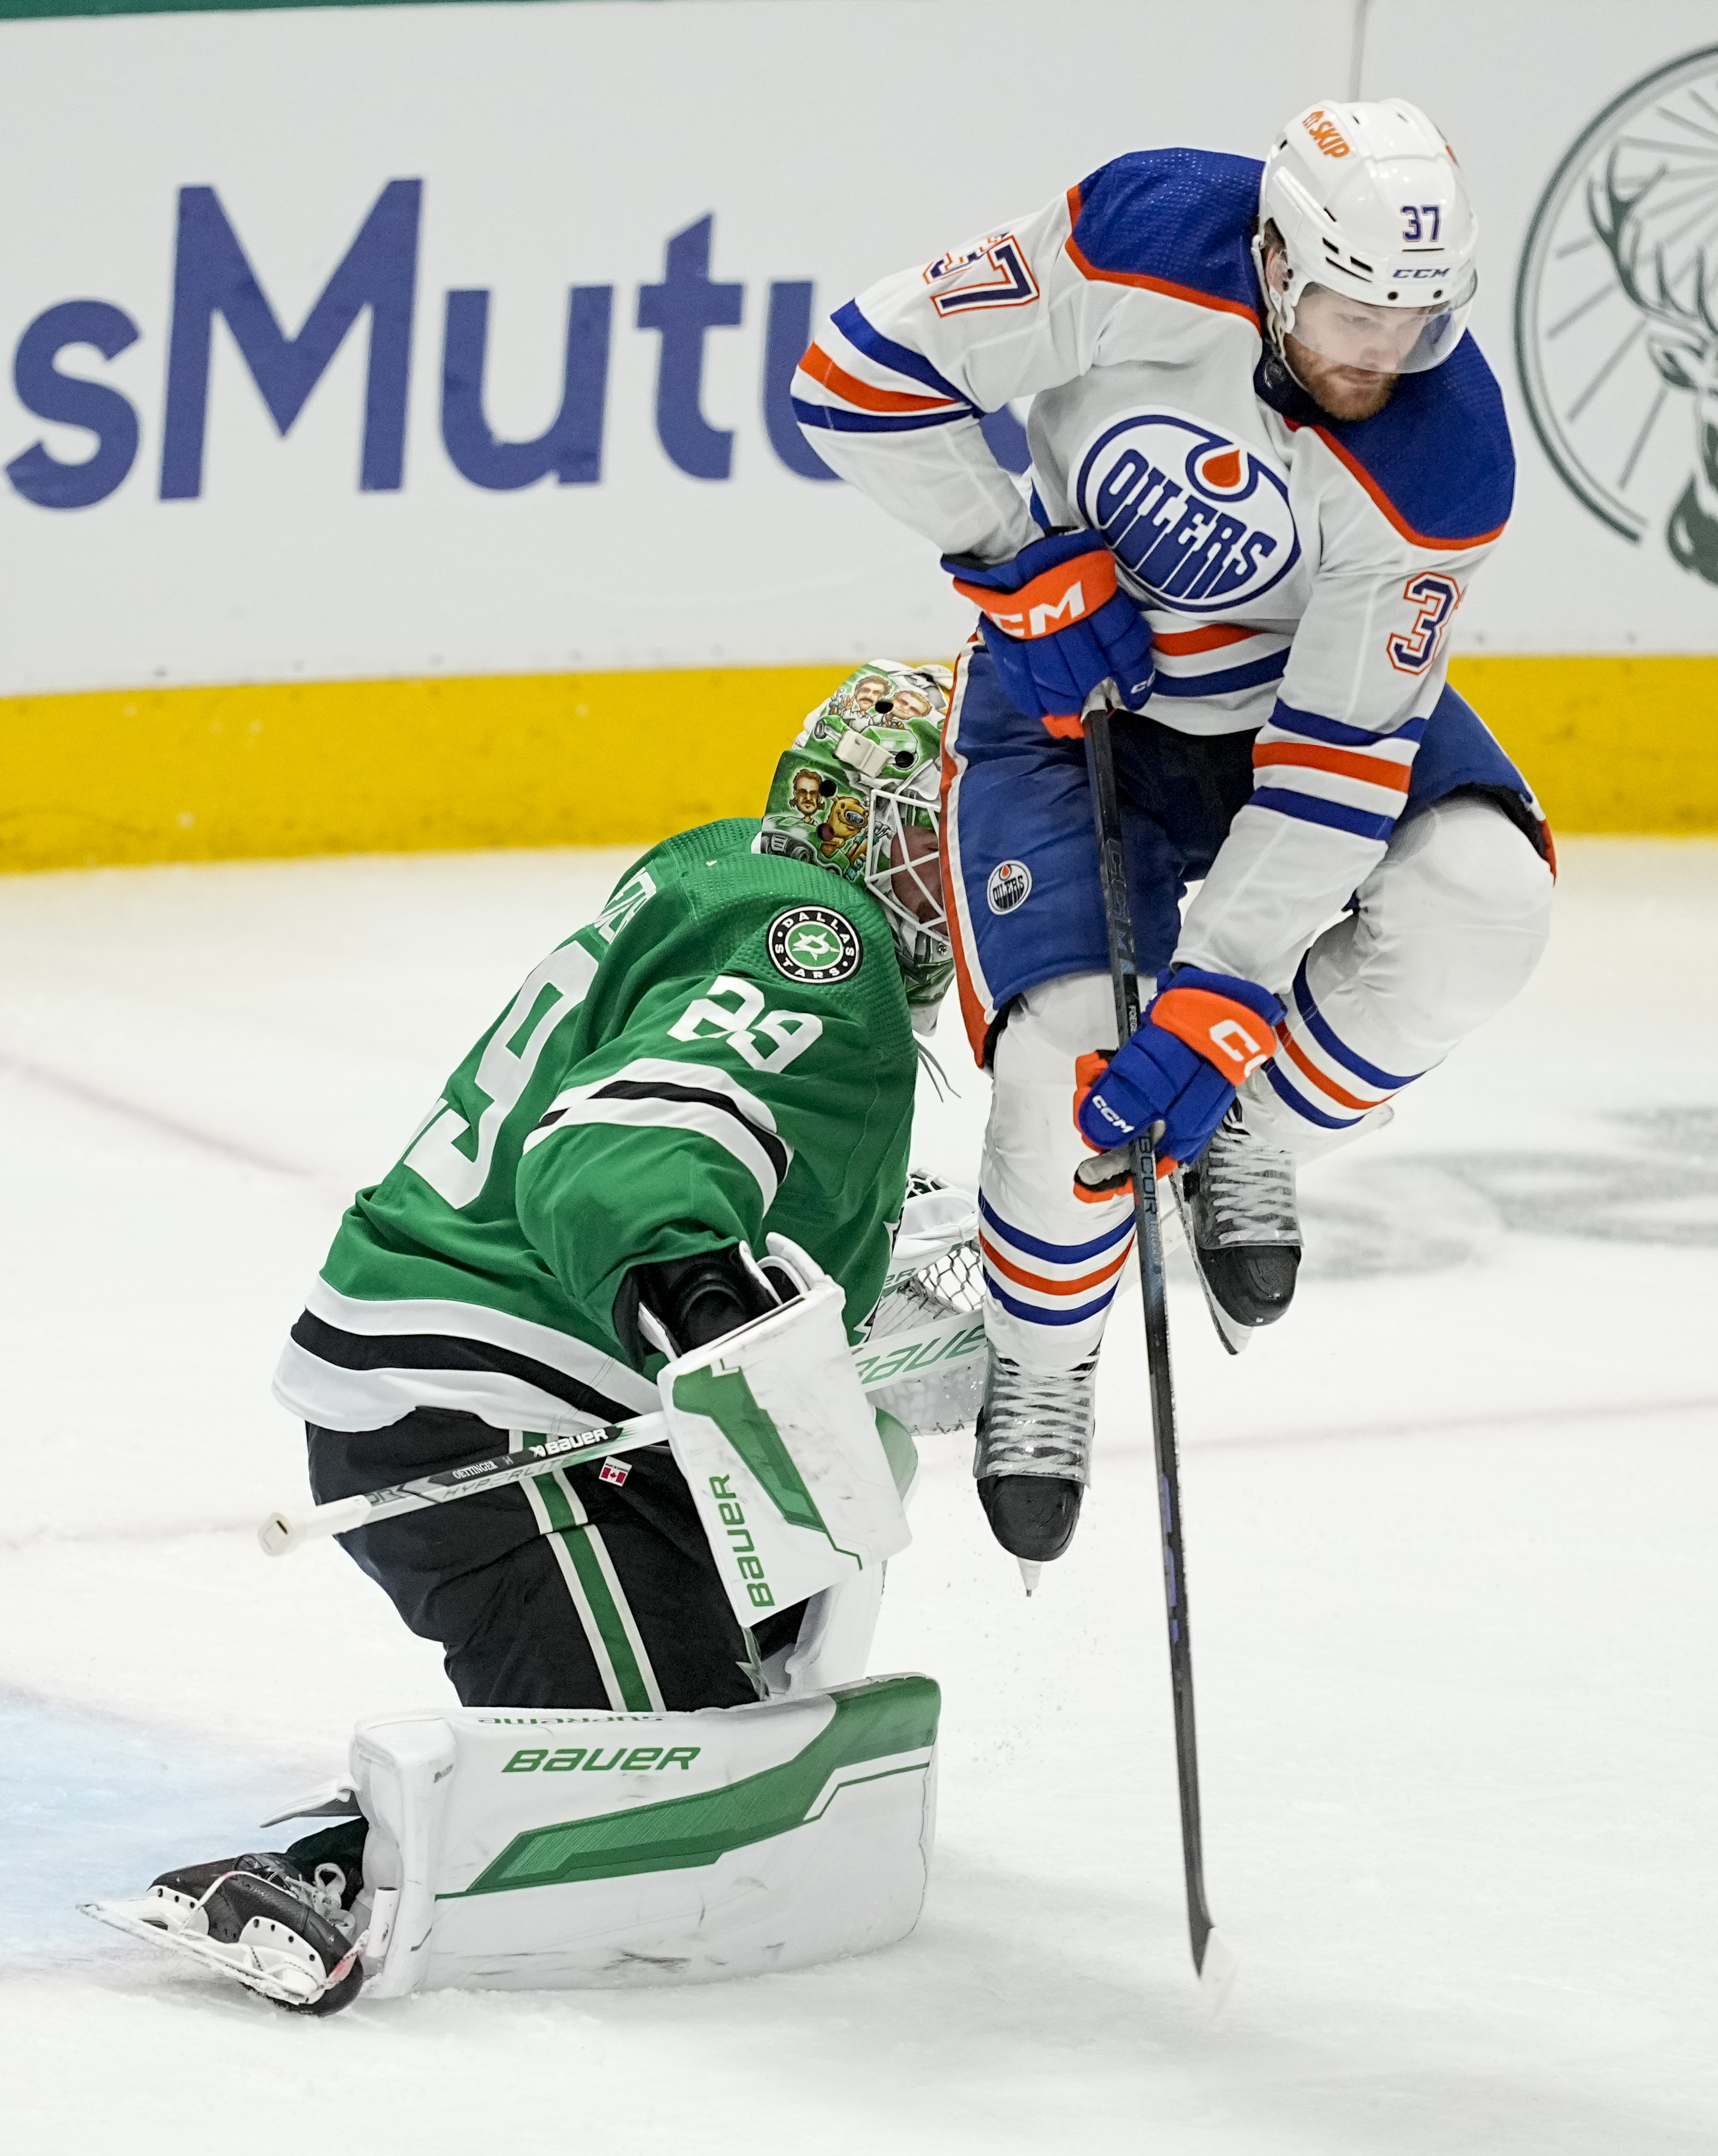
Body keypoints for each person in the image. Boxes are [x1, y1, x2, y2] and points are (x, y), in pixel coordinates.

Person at [89, 665, 981, 2011]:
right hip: (497, 1406)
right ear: (843, 813)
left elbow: (720, 1112)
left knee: (779, 1609)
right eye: (939, 831)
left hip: (508, 1375)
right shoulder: (818, 935)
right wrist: (702, 1283)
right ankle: (339, 1868)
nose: (972, 869)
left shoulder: (733, 873)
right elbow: (624, 1146)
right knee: (673, 1780)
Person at [795, 100, 1558, 1566]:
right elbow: (859, 370)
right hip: (1076, 712)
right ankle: (1040, 1355)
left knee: (1483, 901)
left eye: (1411, 327)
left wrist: (1222, 995)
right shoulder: (1144, 235)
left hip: (1288, 714)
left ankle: (1253, 1128)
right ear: (1272, 256)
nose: (1373, 360)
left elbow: (1337, 755)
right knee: (1063, 1072)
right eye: (1344, 314)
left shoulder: (1445, 463)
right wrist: (1011, 560)